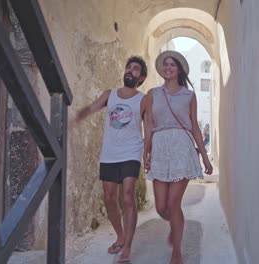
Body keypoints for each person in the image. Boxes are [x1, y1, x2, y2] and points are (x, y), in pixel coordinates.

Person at [75, 56, 147, 263]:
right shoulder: (110, 94)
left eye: (135, 69)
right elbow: (93, 106)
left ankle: (128, 247)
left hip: (131, 152)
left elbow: (149, 126)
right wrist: (79, 115)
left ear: (140, 77)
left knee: (127, 197)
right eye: (128, 67)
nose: (130, 71)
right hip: (110, 153)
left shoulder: (142, 99)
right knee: (109, 197)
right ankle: (121, 236)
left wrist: (148, 151)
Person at [143, 51, 213, 264]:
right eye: (166, 64)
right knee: (161, 207)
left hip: (182, 147)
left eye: (172, 64)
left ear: (179, 70)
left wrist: (205, 158)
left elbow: (194, 127)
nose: (168, 67)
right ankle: (176, 225)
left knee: (174, 204)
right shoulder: (152, 94)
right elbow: (149, 126)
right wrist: (146, 151)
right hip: (161, 149)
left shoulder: (189, 96)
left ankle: (177, 253)